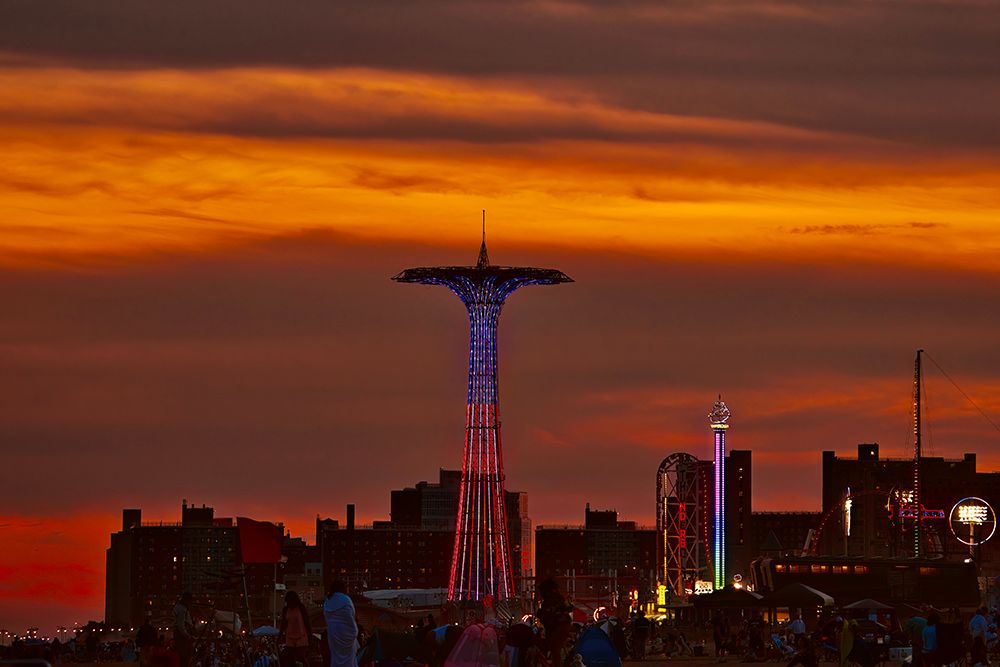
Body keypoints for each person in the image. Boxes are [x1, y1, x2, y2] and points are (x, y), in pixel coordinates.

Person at [324, 581, 357, 667]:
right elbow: (351, 616)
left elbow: (326, 617)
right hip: (348, 632)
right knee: (349, 658)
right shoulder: (346, 600)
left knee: (336, 656)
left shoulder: (328, 601)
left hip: (333, 632)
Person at [280, 590, 312, 667]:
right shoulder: (286, 610)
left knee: (301, 657)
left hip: (301, 636)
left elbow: (307, 622)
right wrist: (280, 636)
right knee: (288, 659)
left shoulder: (301, 608)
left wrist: (310, 635)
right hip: (289, 637)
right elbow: (283, 623)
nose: (289, 604)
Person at [173, 592, 195, 667]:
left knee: (182, 656)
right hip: (181, 636)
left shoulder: (179, 607)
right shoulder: (182, 609)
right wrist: (188, 636)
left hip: (180, 635)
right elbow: (181, 626)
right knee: (184, 656)